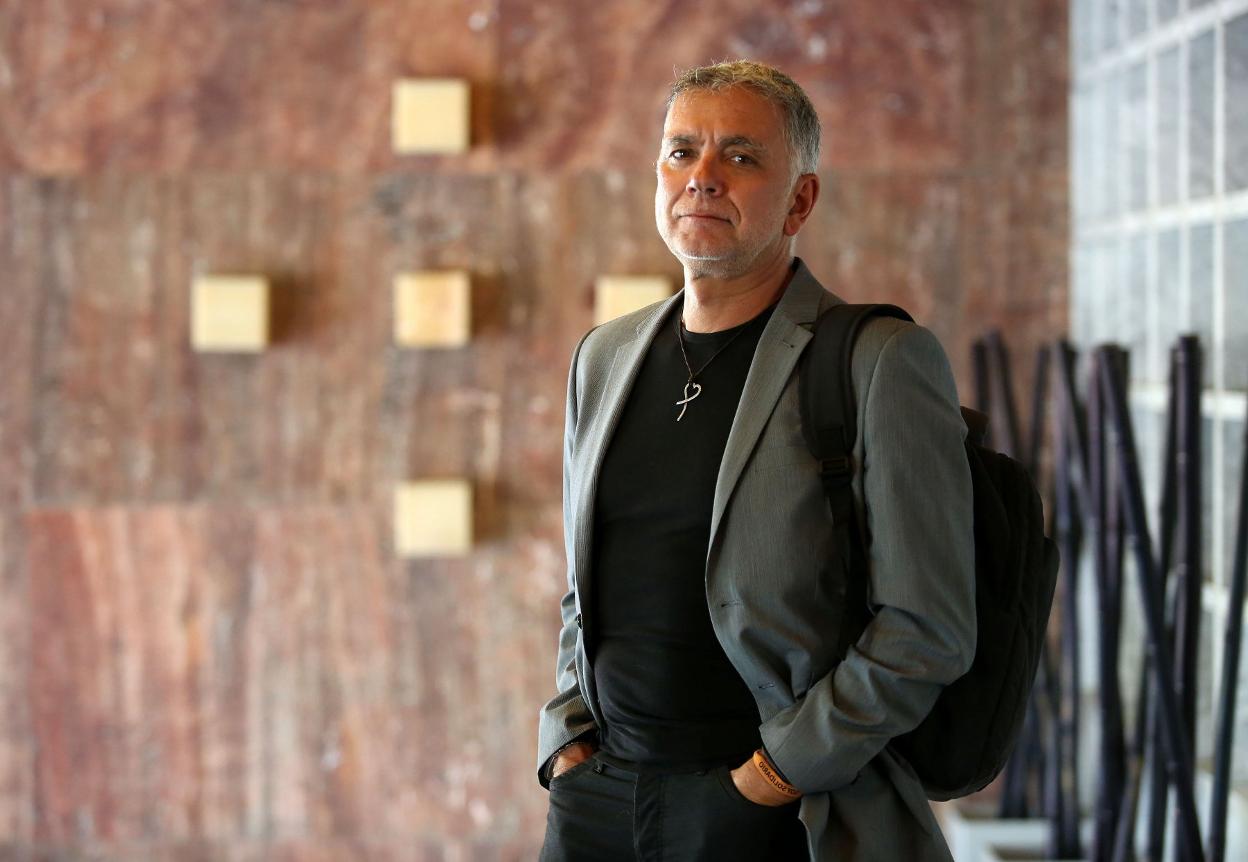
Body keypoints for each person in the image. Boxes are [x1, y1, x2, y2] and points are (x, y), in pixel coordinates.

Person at [535, 60, 975, 862]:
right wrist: (566, 743)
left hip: (780, 811)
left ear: (800, 200)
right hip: (597, 804)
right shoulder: (603, 358)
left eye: (740, 156)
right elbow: (584, 587)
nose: (702, 176)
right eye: (681, 151)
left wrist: (767, 779)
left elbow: (927, 629)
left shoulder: (878, 360)